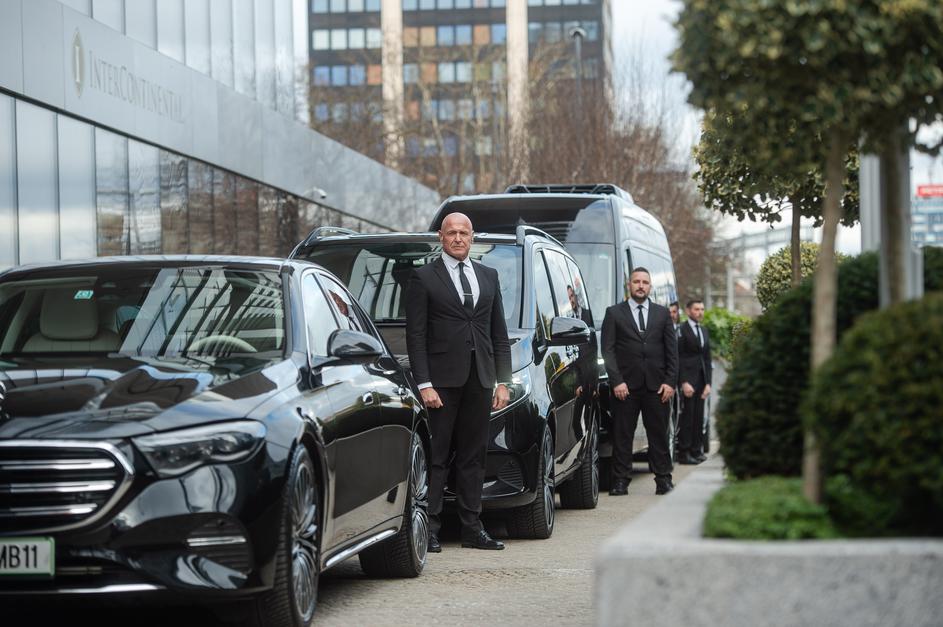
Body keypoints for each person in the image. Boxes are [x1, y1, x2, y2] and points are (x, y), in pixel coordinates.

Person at [405, 212, 511, 552]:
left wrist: (503, 382)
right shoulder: (424, 277)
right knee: (437, 456)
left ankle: (472, 529)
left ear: (472, 237)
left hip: (480, 379)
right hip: (441, 383)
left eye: (464, 233)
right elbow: (416, 336)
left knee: (473, 456)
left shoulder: (488, 276)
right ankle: (430, 529)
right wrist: (424, 384)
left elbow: (499, 333)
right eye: (451, 232)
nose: (458, 238)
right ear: (441, 236)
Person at [601, 267, 678, 496]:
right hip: (625, 387)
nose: (641, 286)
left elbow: (672, 352)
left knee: (659, 435)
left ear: (650, 286)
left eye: (645, 282)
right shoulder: (614, 313)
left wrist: (670, 382)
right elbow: (608, 351)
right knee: (622, 435)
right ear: (629, 285)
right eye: (637, 282)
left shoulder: (662, 314)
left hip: (657, 387)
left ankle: (663, 480)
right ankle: (620, 481)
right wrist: (617, 381)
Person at [677, 299, 712, 465]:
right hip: (688, 381)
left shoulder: (704, 330)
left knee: (699, 418)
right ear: (688, 311)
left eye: (702, 309)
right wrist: (683, 381)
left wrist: (708, 383)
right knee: (688, 418)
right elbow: (678, 357)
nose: (700, 312)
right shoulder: (681, 330)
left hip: (702, 380)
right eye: (696, 309)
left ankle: (696, 451)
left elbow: (707, 358)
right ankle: (684, 453)